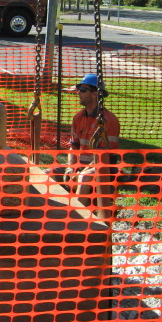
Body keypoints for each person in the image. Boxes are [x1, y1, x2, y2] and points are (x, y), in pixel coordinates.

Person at [63, 73, 120, 219]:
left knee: (83, 178)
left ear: (95, 93)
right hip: (81, 164)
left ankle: (75, 221)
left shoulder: (109, 121)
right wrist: (71, 168)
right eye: (79, 90)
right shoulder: (78, 117)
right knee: (47, 174)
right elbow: (73, 146)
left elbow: (104, 156)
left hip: (102, 165)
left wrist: (81, 171)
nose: (79, 93)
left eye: (83, 90)